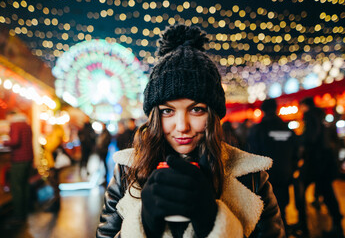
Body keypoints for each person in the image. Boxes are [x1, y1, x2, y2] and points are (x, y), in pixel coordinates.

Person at [97, 24, 285, 238]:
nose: (182, 126)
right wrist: (143, 226)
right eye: (168, 111)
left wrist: (214, 223)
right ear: (154, 117)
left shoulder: (252, 178)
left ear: (213, 115)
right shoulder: (126, 172)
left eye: (196, 110)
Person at [247, 99, 298, 233]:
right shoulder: (286, 129)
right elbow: (295, 151)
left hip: (265, 177)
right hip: (285, 174)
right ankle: (284, 229)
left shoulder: (258, 130)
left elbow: (252, 153)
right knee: (282, 206)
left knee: (267, 214)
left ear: (263, 111)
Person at [296, 97, 344, 237]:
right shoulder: (322, 116)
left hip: (316, 161)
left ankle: (303, 225)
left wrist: (299, 140)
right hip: (326, 160)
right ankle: (337, 224)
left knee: (302, 187)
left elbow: (311, 137)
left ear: (305, 106)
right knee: (327, 192)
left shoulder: (310, 116)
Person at [3, 110, 34, 226]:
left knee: (17, 187)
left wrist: (3, 142)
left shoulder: (15, 125)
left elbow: (15, 141)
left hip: (19, 159)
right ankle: (25, 212)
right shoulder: (26, 124)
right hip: (28, 158)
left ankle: (18, 215)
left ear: (11, 116)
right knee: (24, 186)